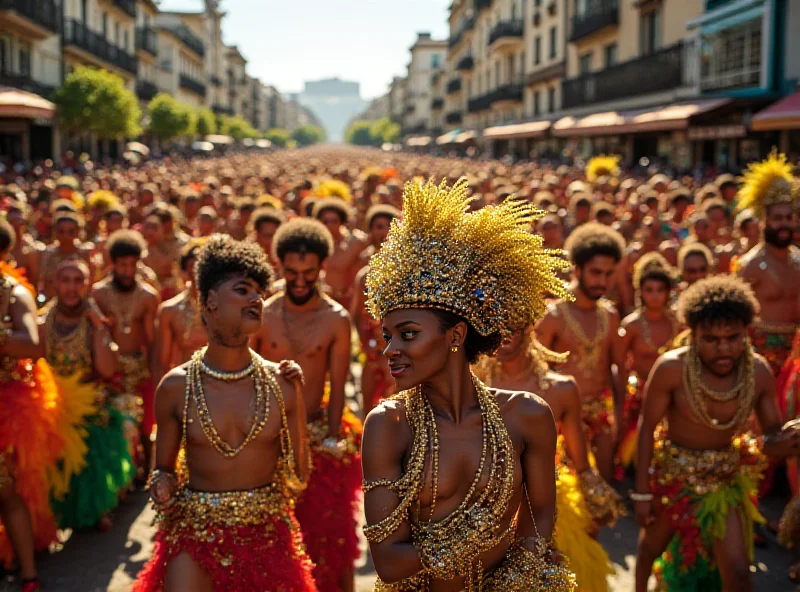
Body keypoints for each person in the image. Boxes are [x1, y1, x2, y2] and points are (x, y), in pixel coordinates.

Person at [362, 179, 575, 590]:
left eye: (407, 334)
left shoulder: (527, 415)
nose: (390, 349)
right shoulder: (388, 425)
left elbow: (541, 513)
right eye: (388, 335)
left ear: (456, 336)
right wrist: (474, 536)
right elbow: (388, 562)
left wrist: (516, 577)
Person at [132, 235, 316, 592]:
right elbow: (162, 471)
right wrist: (163, 488)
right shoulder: (176, 387)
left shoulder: (282, 383)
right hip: (196, 534)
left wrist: (297, 402)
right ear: (210, 302)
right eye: (243, 290)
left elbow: (299, 477)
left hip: (267, 534)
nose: (257, 299)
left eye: (259, 292)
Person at [634, 275, 800, 592]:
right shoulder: (671, 368)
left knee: (738, 572)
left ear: (745, 334)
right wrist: (642, 493)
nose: (724, 349)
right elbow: (646, 428)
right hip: (673, 479)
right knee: (649, 552)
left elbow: (770, 439)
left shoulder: (759, 371)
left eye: (733, 338)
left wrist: (789, 442)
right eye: (711, 339)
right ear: (693, 334)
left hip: (724, 480)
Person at [253, 218, 360, 592]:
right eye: (291, 271)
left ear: (322, 268)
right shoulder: (261, 313)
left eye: (309, 272)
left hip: (315, 435)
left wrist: (331, 439)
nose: (300, 280)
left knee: (325, 537)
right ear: (278, 265)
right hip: (267, 436)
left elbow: (339, 386)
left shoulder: (336, 320)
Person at [473, 326, 622, 591]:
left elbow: (580, 458)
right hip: (486, 500)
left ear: (528, 332)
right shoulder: (474, 385)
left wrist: (593, 499)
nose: (503, 338)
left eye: (512, 330)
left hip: (548, 498)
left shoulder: (561, 388)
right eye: (495, 330)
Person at [39, 260, 133, 532]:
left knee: (95, 453)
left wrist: (98, 326)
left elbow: (106, 368)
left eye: (77, 281)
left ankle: (99, 507)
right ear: (55, 284)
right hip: (53, 401)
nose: (71, 287)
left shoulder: (95, 320)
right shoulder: (42, 320)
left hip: (91, 400)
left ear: (87, 285)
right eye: (65, 280)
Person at [537, 222, 627, 482]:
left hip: (600, 419)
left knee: (601, 494)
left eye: (609, 274)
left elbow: (618, 370)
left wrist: (618, 418)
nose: (603, 281)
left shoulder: (610, 316)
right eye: (595, 273)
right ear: (577, 269)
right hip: (561, 420)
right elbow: (537, 371)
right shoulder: (554, 315)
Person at [0, 219, 62, 592]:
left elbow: (34, 345)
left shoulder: (13, 293)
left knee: (5, 490)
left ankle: (28, 574)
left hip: (6, 406)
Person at [92, 230, 160, 476]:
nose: (127, 270)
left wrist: (155, 373)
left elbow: (152, 340)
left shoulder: (148, 297)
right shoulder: (98, 294)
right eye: (122, 265)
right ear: (113, 263)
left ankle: (147, 471)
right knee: (114, 425)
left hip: (139, 369)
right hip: (111, 370)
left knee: (145, 427)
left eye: (132, 265)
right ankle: (120, 475)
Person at [734, 152, 800, 380]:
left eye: (788, 218)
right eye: (777, 218)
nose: (783, 224)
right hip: (762, 355)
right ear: (764, 221)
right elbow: (737, 317)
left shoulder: (799, 260)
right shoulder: (750, 265)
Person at [615, 253, 679, 470]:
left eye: (660, 290)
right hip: (639, 393)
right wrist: (620, 403)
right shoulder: (631, 325)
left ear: (668, 292)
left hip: (672, 394)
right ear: (640, 292)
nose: (654, 296)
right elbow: (620, 365)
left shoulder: (677, 323)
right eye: (649, 290)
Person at [351, 204, 401, 415]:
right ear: (370, 232)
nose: (383, 232)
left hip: (401, 355)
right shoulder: (364, 276)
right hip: (372, 355)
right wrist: (366, 343)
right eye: (378, 226)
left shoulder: (407, 272)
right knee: (369, 413)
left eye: (389, 227)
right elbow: (355, 314)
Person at [155, 239, 207, 375]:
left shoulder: (225, 309)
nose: (197, 269)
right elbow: (163, 363)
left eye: (201, 263)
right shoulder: (169, 310)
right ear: (184, 270)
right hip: (185, 385)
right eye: (192, 264)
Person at [313, 197, 368, 308]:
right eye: (325, 221)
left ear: (342, 221)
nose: (329, 226)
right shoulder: (314, 243)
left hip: (349, 301)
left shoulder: (356, 242)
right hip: (321, 302)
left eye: (334, 221)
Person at [39, 211, 93, 301]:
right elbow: (42, 283)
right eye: (61, 231)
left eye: (71, 231)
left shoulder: (85, 253)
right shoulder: (47, 254)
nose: (66, 236)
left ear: (78, 232)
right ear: (55, 232)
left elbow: (91, 285)